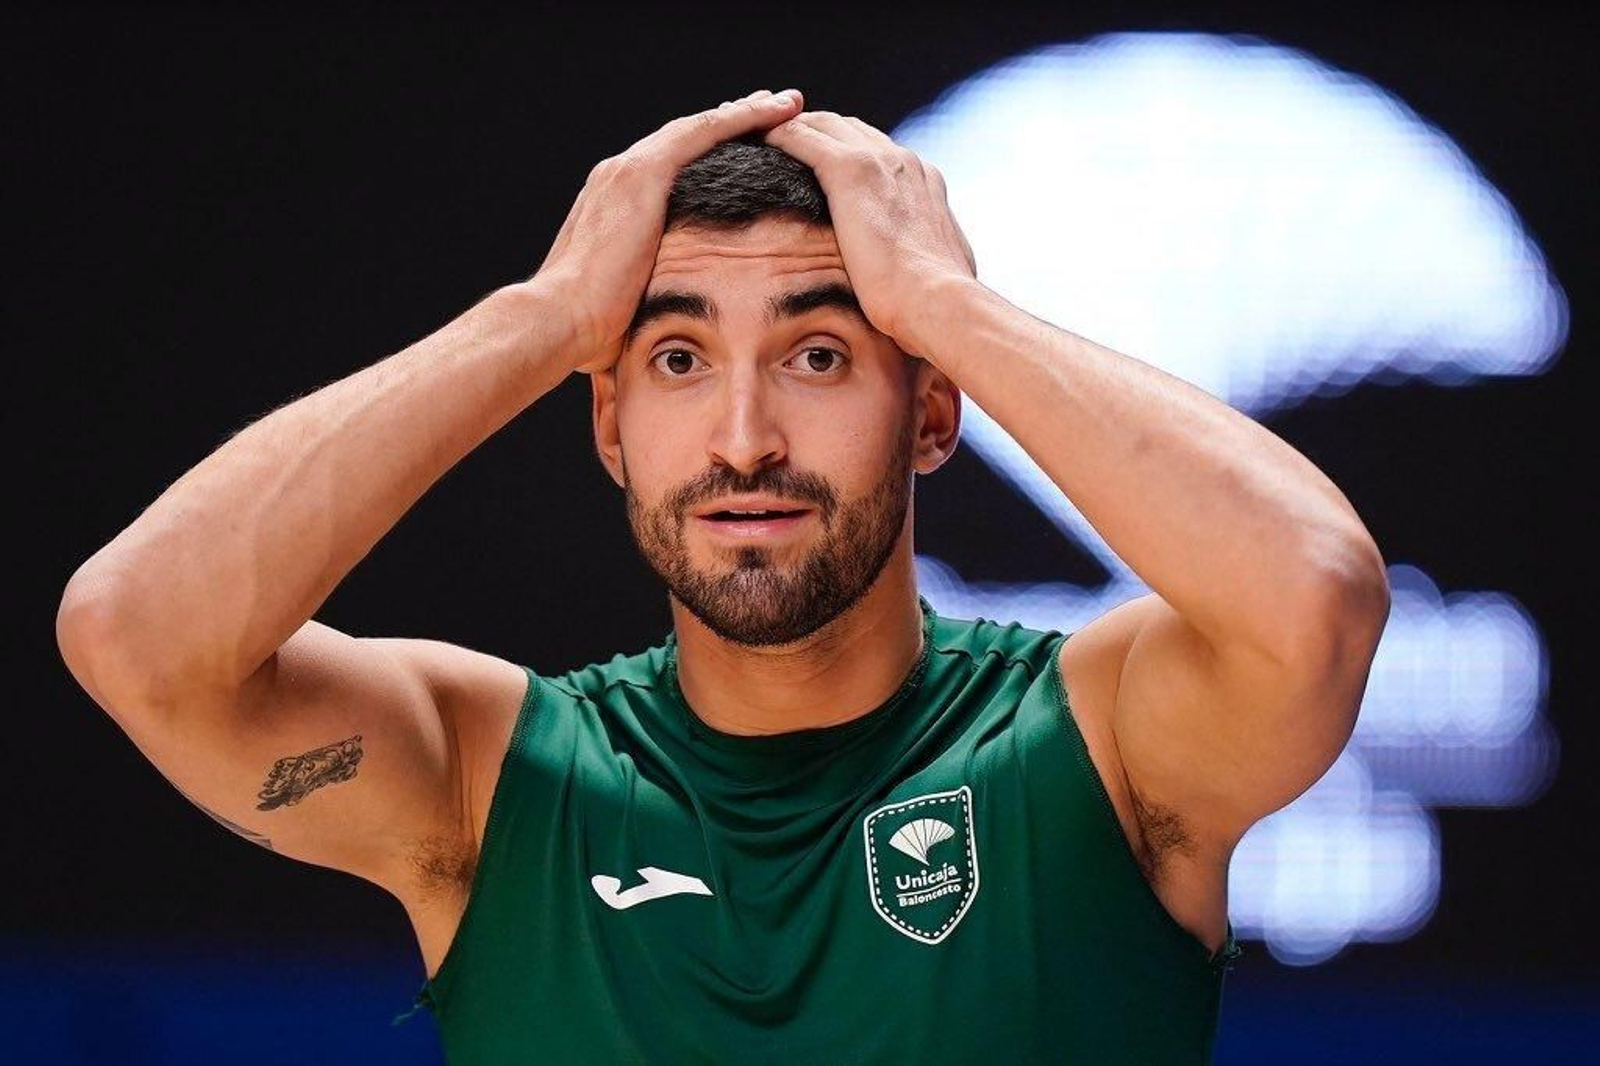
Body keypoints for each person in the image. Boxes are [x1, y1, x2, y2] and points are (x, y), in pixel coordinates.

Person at [56, 88, 1390, 1063]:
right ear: (608, 425)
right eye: (679, 361)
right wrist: (541, 318)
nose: (745, 438)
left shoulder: (1100, 746)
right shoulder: (493, 785)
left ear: (932, 413)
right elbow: (133, 633)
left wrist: (944, 304)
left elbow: (1317, 591)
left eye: (819, 355)